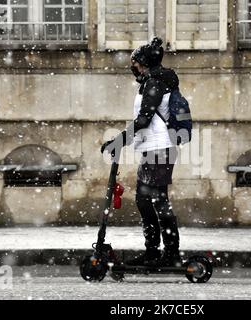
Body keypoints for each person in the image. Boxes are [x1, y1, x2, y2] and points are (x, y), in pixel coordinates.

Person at [100, 37, 182, 267]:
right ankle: (156, 251)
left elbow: (144, 119)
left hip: (159, 149)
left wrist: (119, 141)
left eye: (134, 62)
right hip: (152, 149)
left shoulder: (155, 83)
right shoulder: (150, 82)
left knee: (156, 201)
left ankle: (168, 253)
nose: (132, 66)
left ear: (143, 63)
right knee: (146, 201)